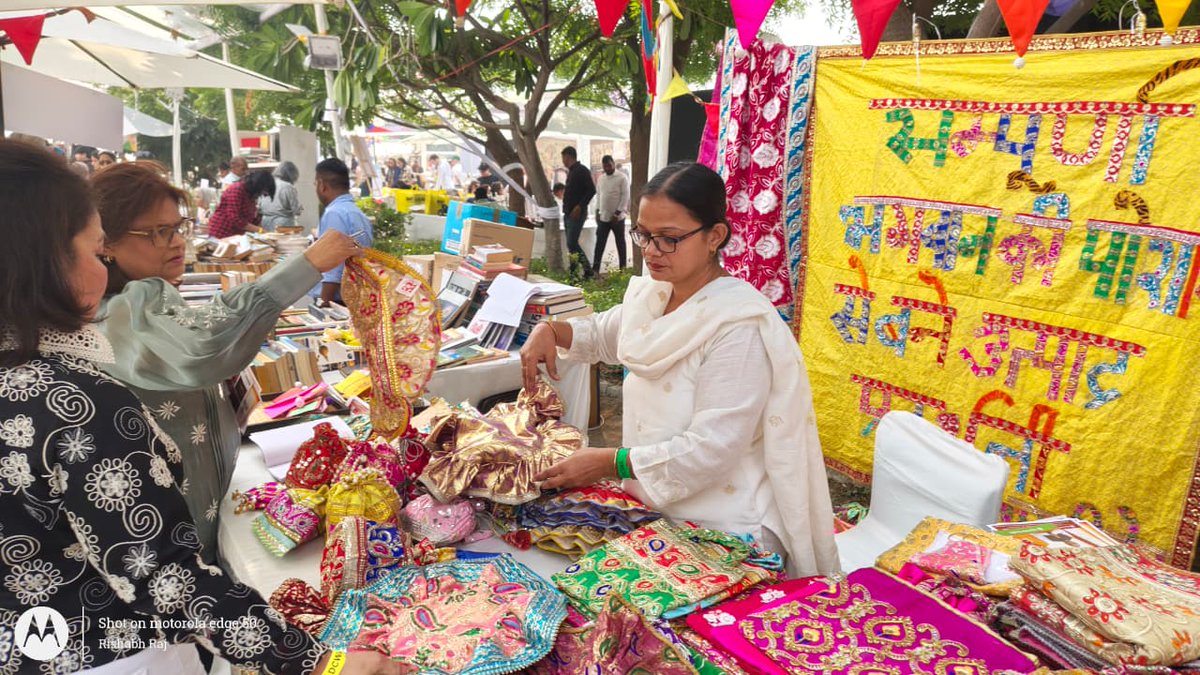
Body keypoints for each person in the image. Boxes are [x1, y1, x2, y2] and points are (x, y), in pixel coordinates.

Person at [0, 139, 394, 675]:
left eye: (177, 227)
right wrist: (322, 665)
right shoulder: (70, 403)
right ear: (42, 262)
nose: (175, 244)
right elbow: (167, 581)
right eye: (92, 250)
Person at [520, 162, 840, 579]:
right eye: (644, 235)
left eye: (669, 239)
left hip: (724, 523)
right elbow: (603, 334)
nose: (651, 251)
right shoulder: (655, 296)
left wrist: (608, 463)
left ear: (714, 236)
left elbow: (711, 448)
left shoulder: (737, 326)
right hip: (653, 501)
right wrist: (550, 329)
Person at [92, 160, 359, 566]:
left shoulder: (143, 298)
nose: (175, 242)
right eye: (156, 233)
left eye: (176, 227)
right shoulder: (122, 309)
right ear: (104, 243)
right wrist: (307, 266)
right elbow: (203, 346)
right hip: (171, 536)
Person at [312, 157, 374, 305]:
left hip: (338, 300)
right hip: (357, 296)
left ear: (322, 185)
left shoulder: (335, 213)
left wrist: (324, 303)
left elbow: (333, 267)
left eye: (315, 183)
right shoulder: (357, 213)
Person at [561, 146, 596, 278]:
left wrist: (580, 206)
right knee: (571, 245)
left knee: (572, 242)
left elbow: (591, 190)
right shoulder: (571, 172)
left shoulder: (582, 170)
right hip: (568, 212)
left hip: (577, 212)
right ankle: (574, 272)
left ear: (568, 157)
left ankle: (587, 269)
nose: (563, 161)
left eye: (563, 157)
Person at [207, 169, 275, 238]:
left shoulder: (250, 195)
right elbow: (235, 219)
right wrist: (260, 230)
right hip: (221, 232)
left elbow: (249, 218)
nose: (261, 194)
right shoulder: (237, 189)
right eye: (262, 191)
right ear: (257, 186)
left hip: (235, 235)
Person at [593, 155, 630, 275]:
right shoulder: (601, 179)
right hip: (603, 217)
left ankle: (622, 270)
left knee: (620, 243)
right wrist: (597, 211)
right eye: (605, 166)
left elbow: (625, 196)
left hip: (617, 218)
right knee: (600, 244)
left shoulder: (622, 178)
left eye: (609, 165)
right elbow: (599, 195)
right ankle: (595, 270)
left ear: (613, 164)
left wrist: (618, 213)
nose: (607, 168)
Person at [259, 160, 305, 231]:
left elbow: (259, 206)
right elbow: (296, 210)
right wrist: (301, 208)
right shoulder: (288, 187)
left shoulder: (266, 184)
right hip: (283, 225)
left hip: (265, 223)